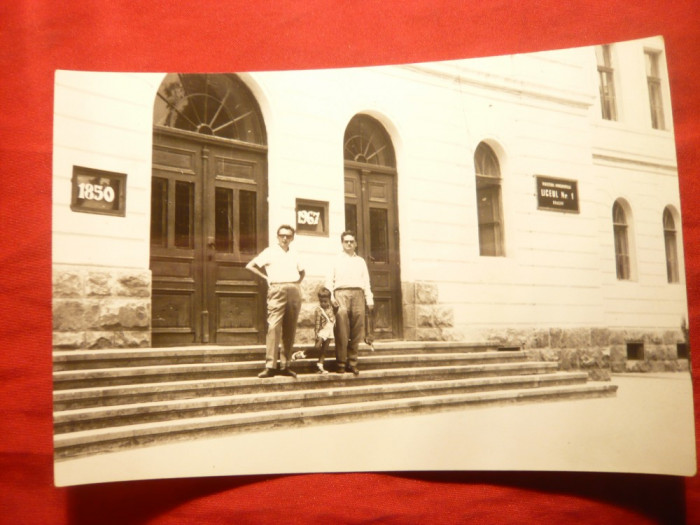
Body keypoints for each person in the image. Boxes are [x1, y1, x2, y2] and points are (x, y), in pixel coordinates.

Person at [246, 225, 305, 378]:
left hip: (293, 289)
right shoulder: (270, 251)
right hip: (277, 289)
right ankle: (270, 366)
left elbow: (302, 271)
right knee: (273, 327)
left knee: (290, 328)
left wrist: (296, 284)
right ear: (277, 236)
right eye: (282, 235)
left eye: (288, 236)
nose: (285, 238)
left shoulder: (295, 253)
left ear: (292, 238)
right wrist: (267, 278)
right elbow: (250, 266)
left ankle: (286, 365)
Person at [325, 230, 374, 375]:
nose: (349, 244)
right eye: (346, 241)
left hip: (358, 295)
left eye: (351, 241)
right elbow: (328, 280)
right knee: (342, 331)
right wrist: (332, 297)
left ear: (356, 244)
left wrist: (369, 298)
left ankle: (352, 362)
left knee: (357, 331)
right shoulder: (335, 260)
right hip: (341, 294)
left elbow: (366, 281)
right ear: (342, 243)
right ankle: (340, 363)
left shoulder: (360, 261)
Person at [292, 287, 336, 374]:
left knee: (324, 350)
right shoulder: (318, 310)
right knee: (317, 347)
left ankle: (320, 365)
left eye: (325, 301)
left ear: (329, 300)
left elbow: (336, 313)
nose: (323, 303)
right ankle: (302, 354)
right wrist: (317, 334)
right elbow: (317, 323)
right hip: (322, 331)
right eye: (321, 301)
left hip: (330, 330)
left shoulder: (332, 308)